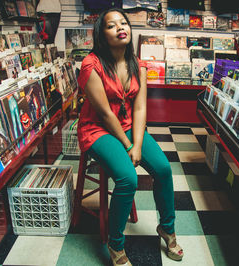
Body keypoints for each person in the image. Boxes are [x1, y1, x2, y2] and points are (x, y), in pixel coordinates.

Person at [77, 8, 184, 266]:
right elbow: (103, 114)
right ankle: (116, 245)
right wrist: (129, 146)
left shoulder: (139, 64)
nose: (120, 27)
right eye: (111, 25)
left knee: (163, 169)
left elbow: (139, 108)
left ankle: (167, 228)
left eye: (123, 23)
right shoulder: (91, 64)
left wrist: (137, 143)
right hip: (97, 128)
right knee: (128, 178)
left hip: (127, 125)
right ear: (101, 34)